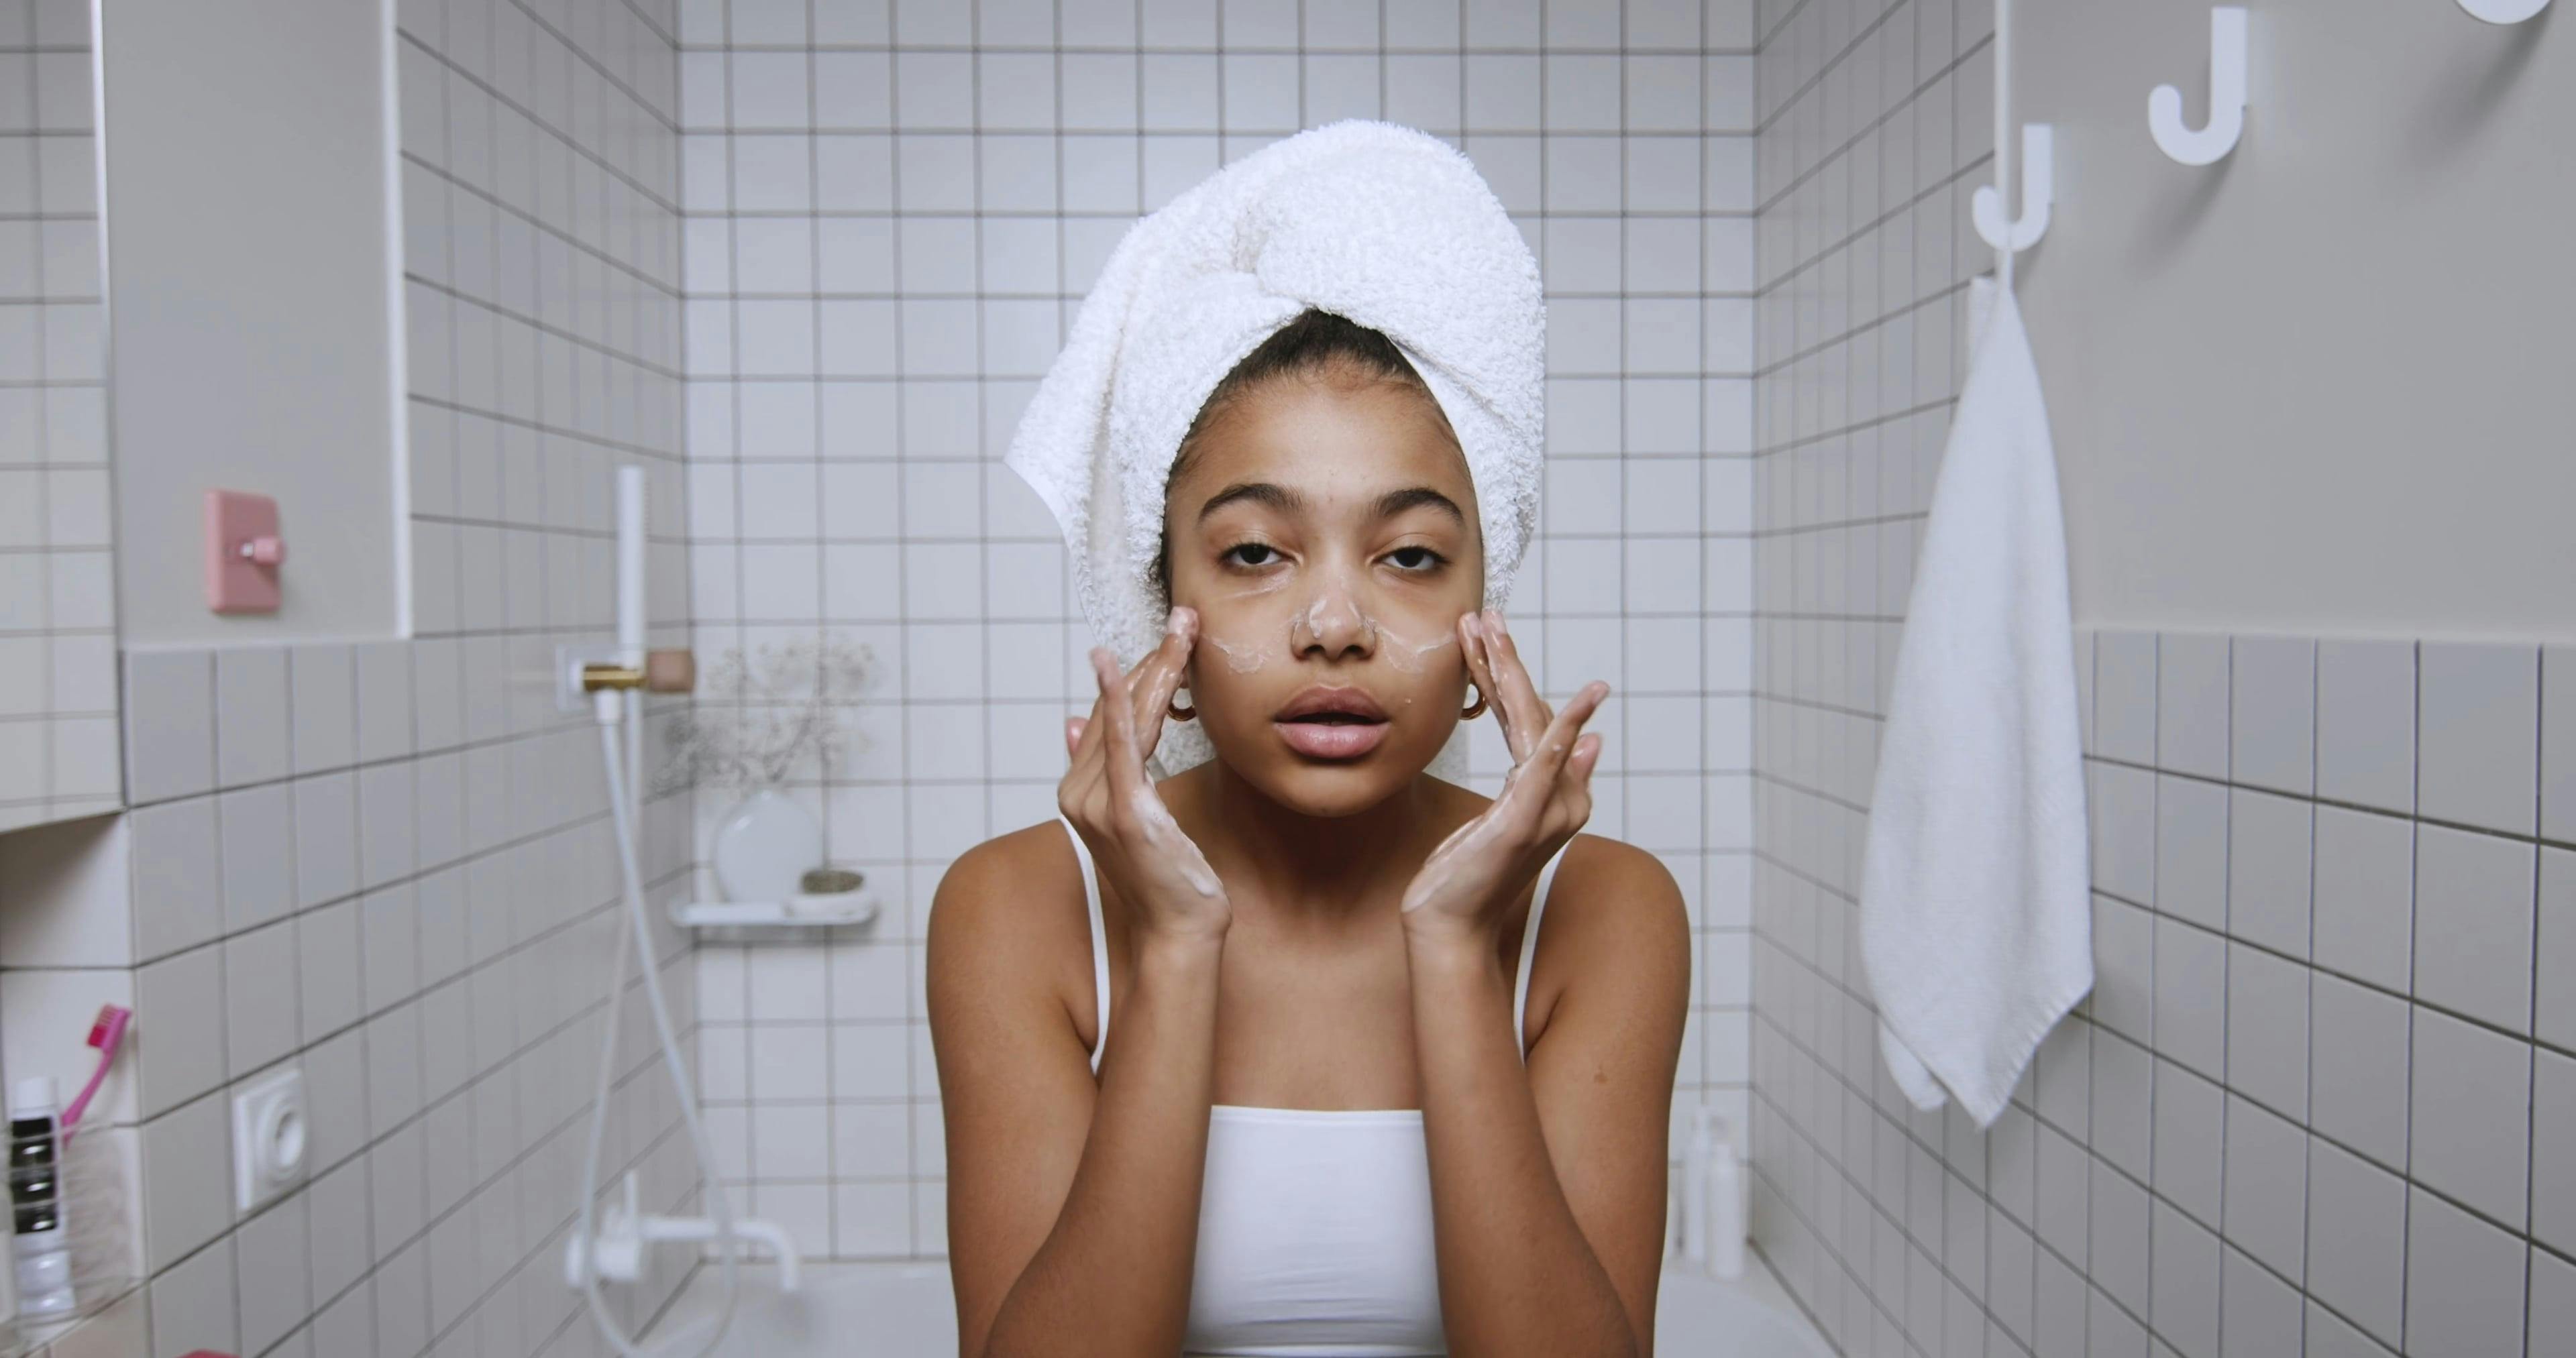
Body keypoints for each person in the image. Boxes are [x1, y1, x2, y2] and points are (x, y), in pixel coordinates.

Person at [928, 306, 1691, 1357]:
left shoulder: (1605, 909)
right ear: (1168, 614)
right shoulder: (1014, 907)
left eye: (1412, 557)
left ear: (1486, 614)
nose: (1334, 624)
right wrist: (1178, 947)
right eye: (1254, 552)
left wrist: (1460, 949)